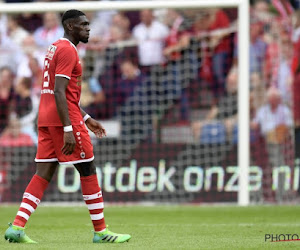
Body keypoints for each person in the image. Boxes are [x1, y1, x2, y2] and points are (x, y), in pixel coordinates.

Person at [4, 9, 131, 244]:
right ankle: (101, 231)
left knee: (43, 172)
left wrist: (86, 118)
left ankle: (18, 227)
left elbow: (61, 93)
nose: (88, 28)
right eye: (83, 25)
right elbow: (59, 91)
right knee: (88, 169)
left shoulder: (55, 47)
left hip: (46, 117)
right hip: (63, 120)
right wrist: (69, 128)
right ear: (71, 26)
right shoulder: (67, 50)